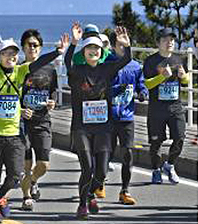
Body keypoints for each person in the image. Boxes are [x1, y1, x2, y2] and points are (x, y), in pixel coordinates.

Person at [0, 30, 66, 224]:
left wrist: (58, 51)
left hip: (15, 135)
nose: (10, 56)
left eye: (13, 53)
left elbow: (39, 62)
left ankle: (0, 196)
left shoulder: (21, 71)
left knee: (16, 176)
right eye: (6, 53)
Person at [64, 23, 131, 220]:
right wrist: (73, 43)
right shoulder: (77, 71)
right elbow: (67, 62)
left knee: (101, 172)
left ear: (101, 52)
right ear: (84, 51)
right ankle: (82, 204)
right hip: (81, 127)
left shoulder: (107, 69)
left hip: (103, 126)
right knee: (87, 168)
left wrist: (126, 45)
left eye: (96, 48)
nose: (93, 51)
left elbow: (126, 59)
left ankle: (91, 192)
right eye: (89, 48)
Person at [105, 31, 148, 205]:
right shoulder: (107, 63)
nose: (122, 47)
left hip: (127, 117)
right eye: (120, 44)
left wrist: (143, 92)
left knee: (127, 154)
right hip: (108, 116)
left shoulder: (136, 66)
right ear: (114, 46)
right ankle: (99, 182)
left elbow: (141, 84)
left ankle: (125, 190)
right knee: (104, 153)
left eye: (126, 44)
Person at [18, 29, 58, 211]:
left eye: (36, 45)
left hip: (42, 121)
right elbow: (9, 95)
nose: (32, 48)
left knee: (43, 164)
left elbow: (53, 90)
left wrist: (53, 101)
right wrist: (20, 110)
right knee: (25, 166)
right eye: (29, 45)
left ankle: (33, 181)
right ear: (23, 47)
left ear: (41, 48)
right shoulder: (18, 69)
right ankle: (26, 197)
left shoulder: (50, 69)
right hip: (22, 123)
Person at [143, 28, 189, 185]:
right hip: (157, 109)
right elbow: (147, 84)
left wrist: (184, 78)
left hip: (176, 108)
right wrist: (161, 77)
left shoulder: (179, 59)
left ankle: (169, 165)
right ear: (158, 43)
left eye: (172, 40)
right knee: (156, 142)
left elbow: (186, 81)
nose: (170, 43)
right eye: (165, 40)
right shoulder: (150, 61)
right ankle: (156, 170)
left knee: (180, 138)